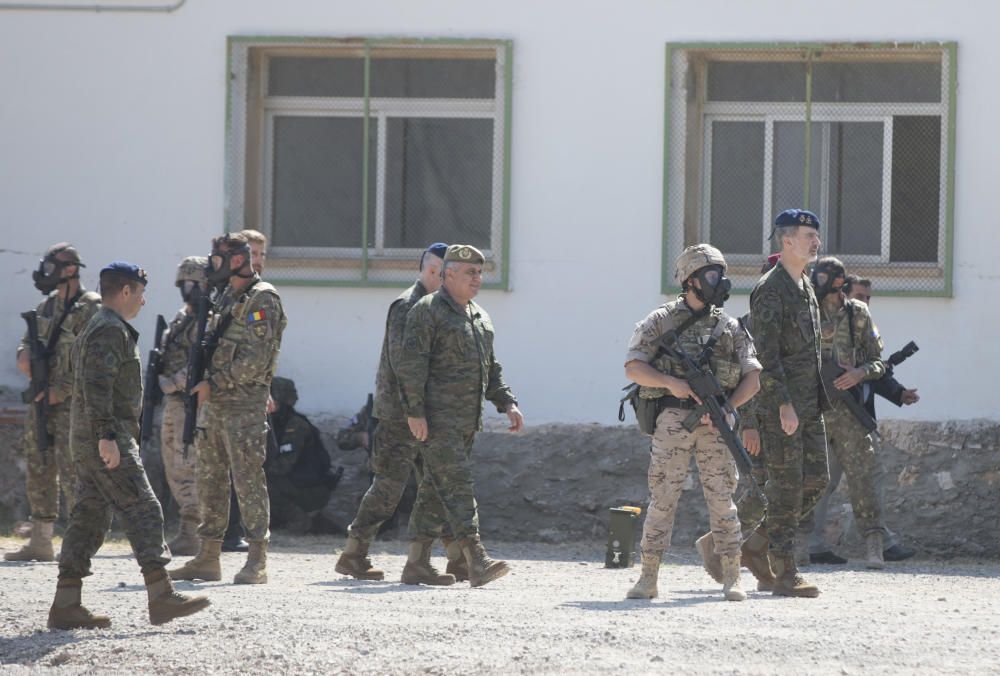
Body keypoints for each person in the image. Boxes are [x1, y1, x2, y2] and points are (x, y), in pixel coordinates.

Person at [48, 262, 209, 630]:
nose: (142, 299)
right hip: (106, 438)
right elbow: (96, 386)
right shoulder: (108, 329)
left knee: (88, 519)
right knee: (144, 508)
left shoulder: (101, 324)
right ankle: (161, 595)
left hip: (92, 437)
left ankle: (66, 604)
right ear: (124, 292)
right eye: (139, 292)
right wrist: (107, 436)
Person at [623, 244, 761, 601]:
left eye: (721, 274)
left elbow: (753, 377)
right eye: (712, 275)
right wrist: (671, 383)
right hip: (673, 419)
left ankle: (732, 574)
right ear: (690, 280)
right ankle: (648, 575)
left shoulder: (730, 326)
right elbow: (634, 367)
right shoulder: (661, 320)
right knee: (663, 497)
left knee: (722, 499)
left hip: (717, 422)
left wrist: (729, 406)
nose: (720, 281)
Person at [395, 244, 524, 588]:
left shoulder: (479, 316)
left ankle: (417, 564)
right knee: (459, 485)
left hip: (467, 420)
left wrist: (507, 403)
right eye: (470, 272)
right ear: (447, 274)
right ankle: (476, 558)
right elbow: (410, 366)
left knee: (435, 490)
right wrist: (414, 412)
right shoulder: (427, 311)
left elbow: (490, 367)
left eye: (480, 272)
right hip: (437, 421)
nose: (477, 279)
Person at [336, 243, 462, 585]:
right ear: (425, 270)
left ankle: (457, 556)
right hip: (400, 413)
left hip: (426, 412)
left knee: (438, 482)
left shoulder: (442, 307)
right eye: (435, 271)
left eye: (445, 273)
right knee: (389, 485)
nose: (440, 278)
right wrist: (413, 410)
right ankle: (354, 553)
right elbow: (402, 364)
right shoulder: (408, 305)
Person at [169, 232, 286, 585]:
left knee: (248, 480)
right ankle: (207, 556)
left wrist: (213, 383)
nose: (210, 265)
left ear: (237, 260)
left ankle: (256, 558)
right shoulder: (223, 297)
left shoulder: (262, 298)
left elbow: (256, 359)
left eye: (217, 259)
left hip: (243, 407)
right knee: (211, 480)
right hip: (214, 407)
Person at [809, 274, 918, 564]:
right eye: (859, 295)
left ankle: (879, 542)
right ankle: (811, 544)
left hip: (855, 417)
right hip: (821, 414)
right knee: (820, 482)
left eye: (868, 297)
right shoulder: (810, 317)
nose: (863, 302)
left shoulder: (859, 323)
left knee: (867, 480)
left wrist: (898, 392)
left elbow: (879, 371)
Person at [749, 209, 830, 598]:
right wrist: (783, 404)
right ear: (786, 242)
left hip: (810, 403)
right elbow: (766, 356)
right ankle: (784, 570)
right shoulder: (771, 288)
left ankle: (759, 541)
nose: (816, 242)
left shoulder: (806, 286)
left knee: (816, 480)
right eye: (808, 235)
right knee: (784, 488)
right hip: (783, 407)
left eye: (816, 235)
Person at [7, 243, 101, 562]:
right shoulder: (46, 307)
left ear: (71, 270)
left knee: (74, 471)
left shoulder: (91, 308)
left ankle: (78, 543)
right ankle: (41, 540)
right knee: (39, 465)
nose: (46, 274)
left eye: (52, 268)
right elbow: (29, 341)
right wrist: (23, 354)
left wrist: (62, 390)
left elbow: (94, 360)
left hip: (72, 404)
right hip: (41, 399)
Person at [803, 257, 889, 569]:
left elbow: (880, 363)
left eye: (827, 281)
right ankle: (801, 546)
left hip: (850, 414)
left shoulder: (858, 315)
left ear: (839, 283)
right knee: (810, 481)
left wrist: (859, 373)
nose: (821, 288)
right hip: (814, 411)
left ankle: (873, 544)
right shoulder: (805, 311)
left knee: (862, 480)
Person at [156, 256, 209, 556]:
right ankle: (187, 528)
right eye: (186, 283)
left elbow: (202, 361)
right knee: (172, 464)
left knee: (190, 464)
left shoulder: (208, 320)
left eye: (196, 283)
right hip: (173, 401)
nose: (190, 289)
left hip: (192, 402)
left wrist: (173, 382)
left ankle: (193, 531)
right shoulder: (180, 318)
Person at [265, 377, 341, 533]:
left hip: (310, 489)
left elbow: (282, 467)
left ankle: (299, 520)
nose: (269, 406)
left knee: (261, 482)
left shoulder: (295, 426)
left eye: (274, 403)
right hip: (296, 485)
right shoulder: (275, 422)